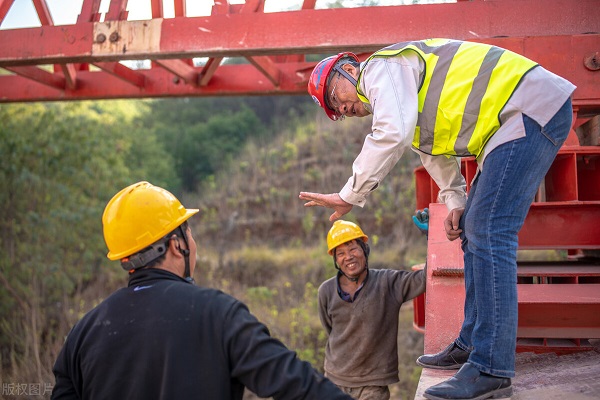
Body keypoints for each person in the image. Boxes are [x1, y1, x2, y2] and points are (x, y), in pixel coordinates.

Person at [301, 38, 575, 400]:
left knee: (490, 232)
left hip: (528, 107)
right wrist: (456, 201)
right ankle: (472, 341)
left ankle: (491, 367)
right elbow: (434, 153)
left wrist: (350, 194)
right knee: (472, 227)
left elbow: (391, 134)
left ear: (349, 70)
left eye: (335, 98)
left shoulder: (383, 67)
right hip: (509, 123)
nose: (341, 109)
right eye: (335, 110)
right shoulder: (407, 105)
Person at [52, 181, 353, 400]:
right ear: (176, 244)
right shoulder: (217, 314)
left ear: (126, 257)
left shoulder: (83, 333)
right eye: (189, 232)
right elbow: (297, 384)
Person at [318, 220, 426, 400]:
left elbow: (424, 278)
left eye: (353, 249)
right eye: (341, 253)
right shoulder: (326, 291)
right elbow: (330, 329)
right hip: (334, 380)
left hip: (372, 385)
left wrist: (433, 237)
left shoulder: (388, 283)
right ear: (336, 260)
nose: (348, 257)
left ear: (364, 250)